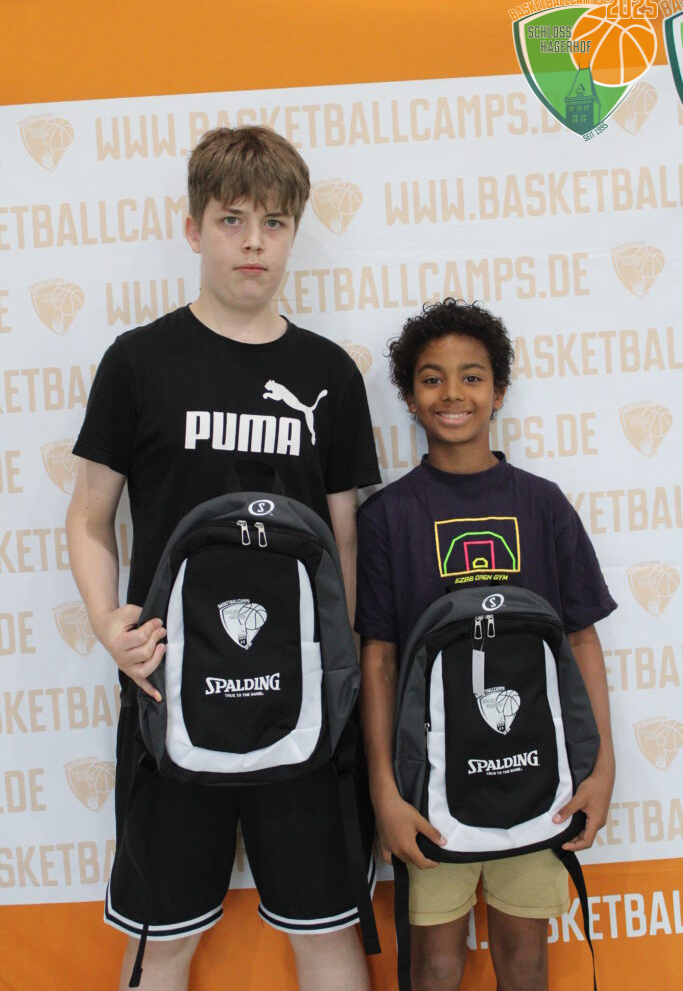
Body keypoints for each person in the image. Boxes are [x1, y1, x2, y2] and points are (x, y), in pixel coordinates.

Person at [66, 125, 380, 991]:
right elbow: (89, 516)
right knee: (161, 940)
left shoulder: (328, 373)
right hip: (167, 686)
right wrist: (108, 625)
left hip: (306, 697)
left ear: (294, 232)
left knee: (326, 934)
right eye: (231, 219)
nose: (252, 242)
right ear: (193, 228)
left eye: (273, 223)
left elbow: (344, 537)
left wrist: (341, 670)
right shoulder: (139, 362)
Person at [356, 299, 616, 991]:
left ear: (498, 391)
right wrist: (384, 789)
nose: (452, 394)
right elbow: (378, 660)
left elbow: (580, 638)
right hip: (429, 786)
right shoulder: (386, 517)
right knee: (435, 963)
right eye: (431, 378)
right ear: (409, 397)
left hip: (536, 779)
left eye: (471, 377)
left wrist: (601, 766)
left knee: (525, 959)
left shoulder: (542, 504)